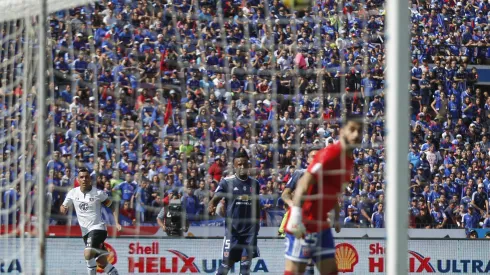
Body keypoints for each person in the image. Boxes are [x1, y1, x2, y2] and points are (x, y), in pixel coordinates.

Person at [284, 115, 363, 275]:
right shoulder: (330, 155)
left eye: (360, 131)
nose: (356, 135)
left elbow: (331, 191)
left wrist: (334, 215)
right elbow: (304, 183)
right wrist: (296, 217)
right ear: (342, 132)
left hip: (322, 225)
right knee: (296, 272)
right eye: (352, 130)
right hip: (305, 223)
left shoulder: (348, 161)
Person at [207, 150, 261, 275]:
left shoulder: (255, 184)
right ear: (234, 166)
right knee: (226, 266)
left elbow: (257, 205)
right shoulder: (227, 182)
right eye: (239, 164)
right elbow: (215, 199)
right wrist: (211, 206)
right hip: (233, 232)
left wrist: (257, 224)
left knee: (245, 270)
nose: (242, 167)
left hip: (249, 233)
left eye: (244, 164)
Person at [60, 168, 121, 275]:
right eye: (81, 177)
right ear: (78, 179)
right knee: (101, 262)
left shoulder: (98, 193)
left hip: (98, 228)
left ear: (90, 179)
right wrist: (63, 209)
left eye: (86, 177)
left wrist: (117, 222)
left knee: (88, 254)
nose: (84, 179)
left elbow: (112, 206)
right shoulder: (72, 193)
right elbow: (63, 206)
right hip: (85, 232)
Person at [279, 148, 319, 275]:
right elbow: (285, 194)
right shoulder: (299, 173)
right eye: (312, 156)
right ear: (307, 159)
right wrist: (293, 206)